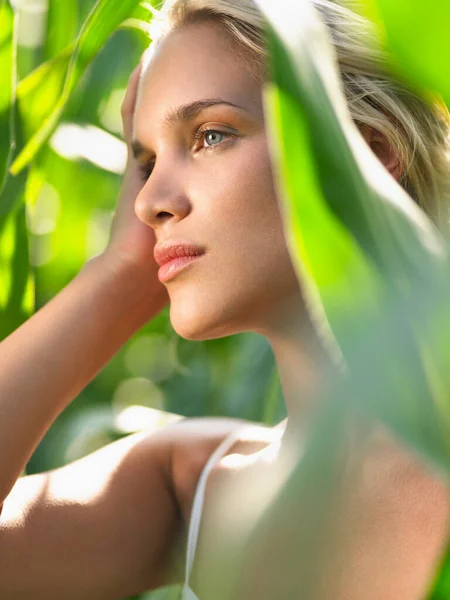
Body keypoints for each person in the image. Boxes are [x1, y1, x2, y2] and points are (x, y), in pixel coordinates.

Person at [1, 0, 450, 598]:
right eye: (146, 162)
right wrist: (118, 276)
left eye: (210, 135)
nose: (147, 202)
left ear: (364, 153)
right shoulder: (197, 493)